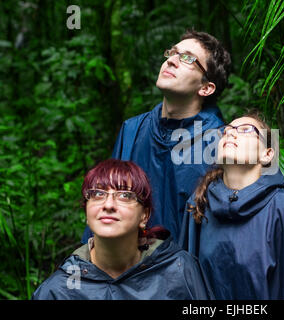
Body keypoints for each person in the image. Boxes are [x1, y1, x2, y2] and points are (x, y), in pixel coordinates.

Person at [82, 30, 231, 243]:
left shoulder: (222, 142)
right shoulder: (132, 129)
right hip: (128, 267)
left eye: (187, 58)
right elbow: (107, 199)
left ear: (206, 88)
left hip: (188, 271)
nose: (171, 61)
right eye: (172, 53)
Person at [179, 112, 284, 299]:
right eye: (226, 131)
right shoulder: (198, 204)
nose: (230, 134)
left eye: (246, 130)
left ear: (267, 154)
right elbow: (185, 283)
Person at [33, 159, 213, 300]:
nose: (108, 205)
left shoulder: (178, 270)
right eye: (98, 194)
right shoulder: (59, 289)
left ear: (144, 215)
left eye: (125, 195)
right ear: (87, 213)